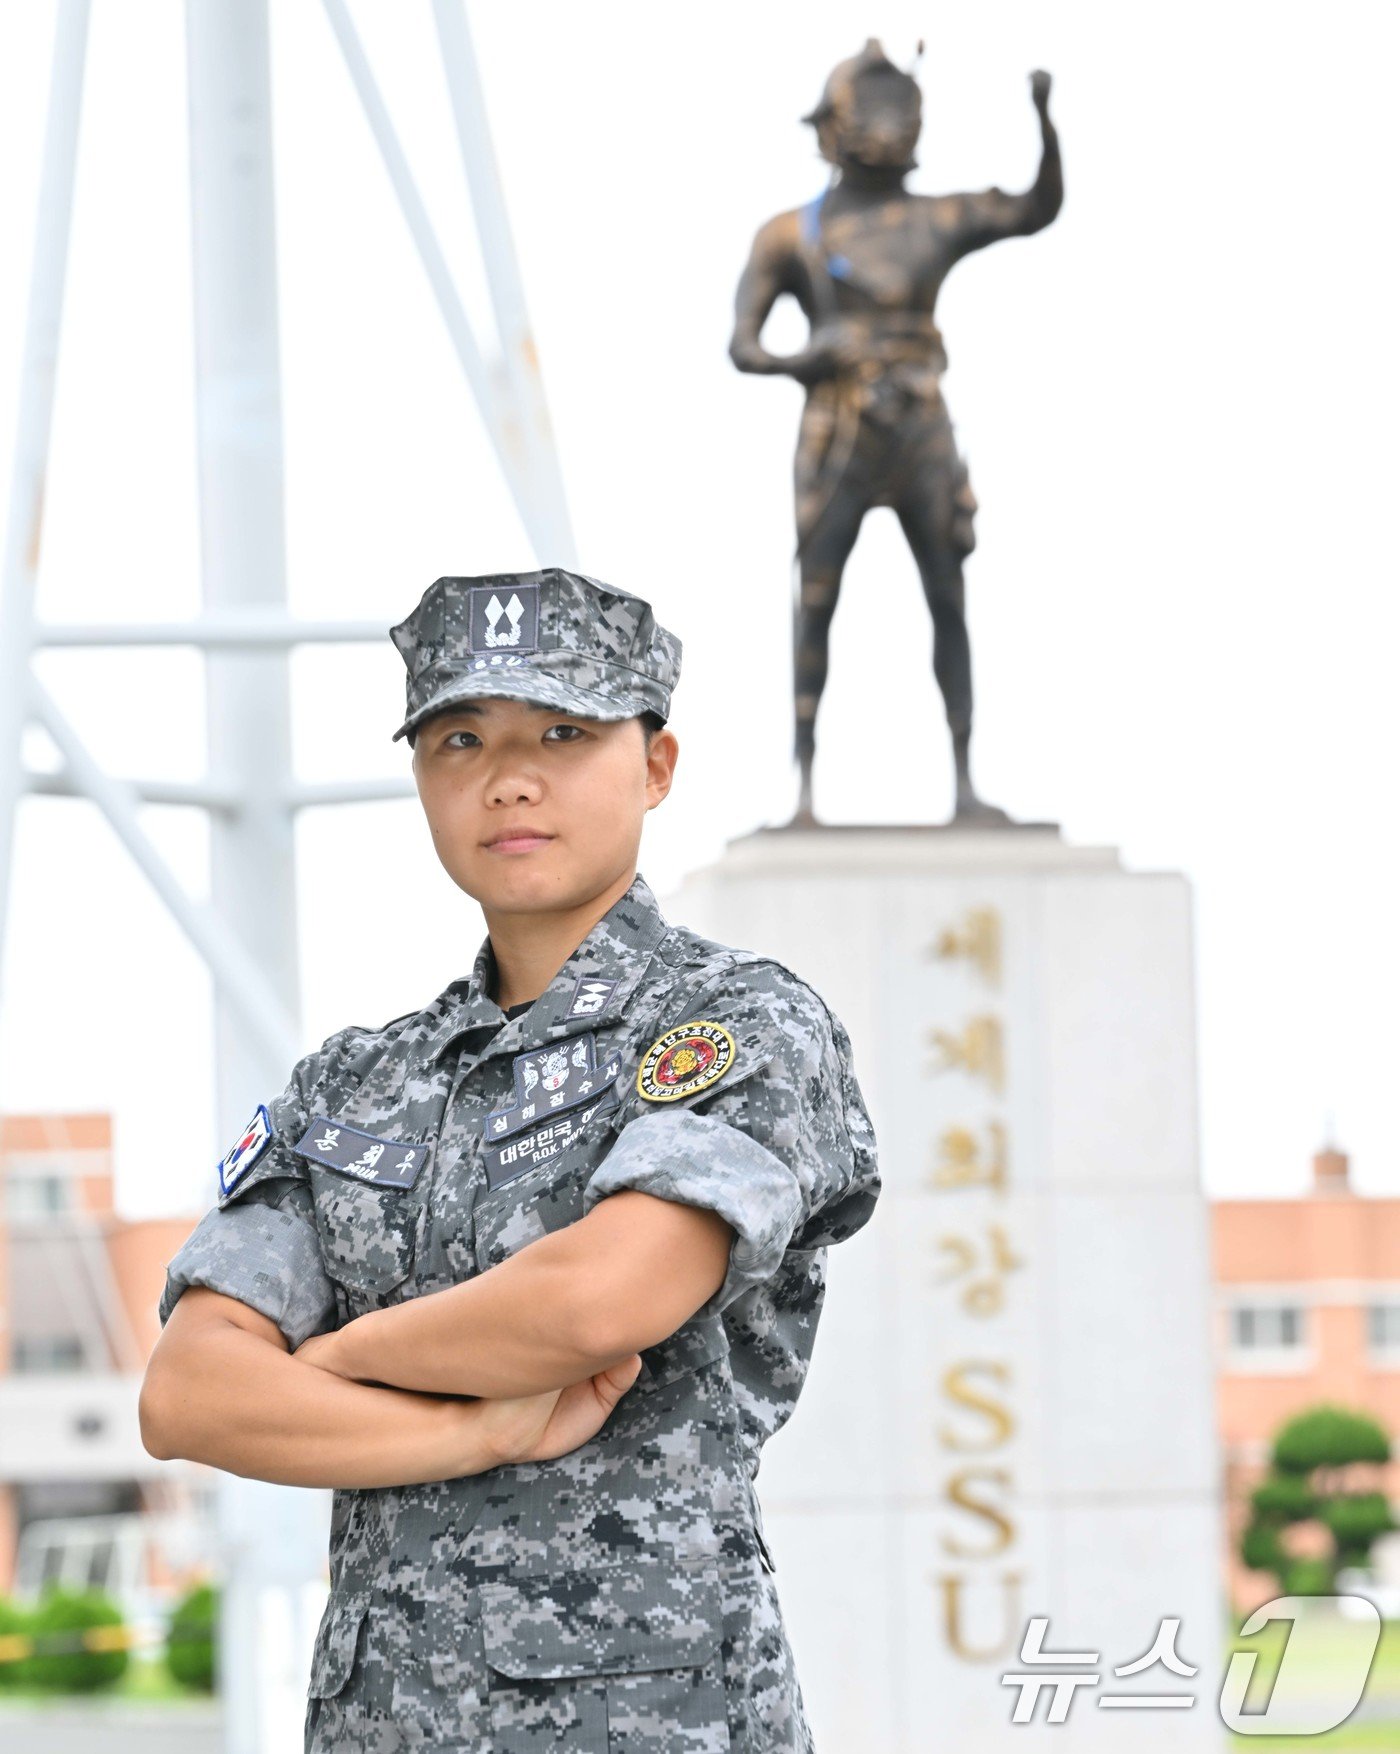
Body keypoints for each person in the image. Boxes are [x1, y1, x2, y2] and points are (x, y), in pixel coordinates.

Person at [140, 565, 880, 1751]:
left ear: (654, 765)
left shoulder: (730, 1023)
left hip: (646, 1717)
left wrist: (339, 1354)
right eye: (460, 737)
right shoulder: (354, 1082)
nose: (509, 776)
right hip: (381, 1720)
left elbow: (595, 1300)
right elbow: (188, 1392)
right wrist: (474, 1427)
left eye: (563, 731)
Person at [729, 40, 1062, 825]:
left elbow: (1034, 208)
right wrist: (808, 354)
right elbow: (742, 343)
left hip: (919, 425)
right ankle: (804, 787)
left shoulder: (936, 219)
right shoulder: (789, 235)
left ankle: (965, 780)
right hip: (838, 427)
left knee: (948, 596)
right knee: (816, 600)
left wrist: (1045, 120)